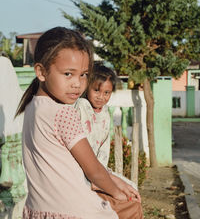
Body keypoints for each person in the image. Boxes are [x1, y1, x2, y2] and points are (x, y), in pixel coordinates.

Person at [16, 27, 131, 219]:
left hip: (39, 209)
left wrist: (116, 182)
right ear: (41, 72)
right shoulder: (63, 113)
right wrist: (119, 193)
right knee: (132, 205)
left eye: (84, 74)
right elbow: (94, 171)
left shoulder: (31, 106)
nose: (77, 83)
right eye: (68, 74)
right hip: (75, 211)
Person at [75, 61, 143, 219]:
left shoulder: (105, 113)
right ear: (87, 88)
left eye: (107, 93)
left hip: (100, 169)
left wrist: (109, 176)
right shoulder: (82, 107)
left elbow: (103, 148)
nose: (101, 97)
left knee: (132, 189)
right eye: (96, 90)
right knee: (125, 199)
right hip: (84, 171)